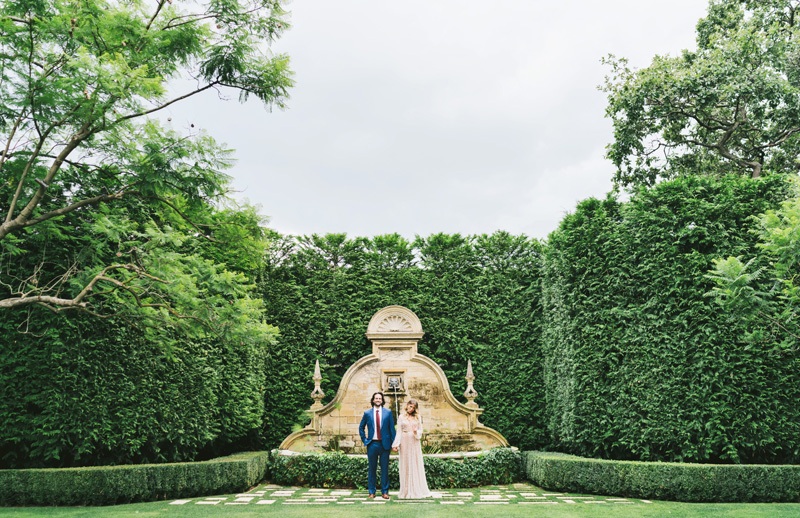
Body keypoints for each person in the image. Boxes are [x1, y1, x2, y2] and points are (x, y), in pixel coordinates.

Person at [391, 399, 432, 499]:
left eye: (413, 407)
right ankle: (405, 491)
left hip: (414, 442)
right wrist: (396, 444)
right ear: (407, 405)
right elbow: (399, 431)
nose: (411, 408)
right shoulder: (401, 417)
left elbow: (420, 431)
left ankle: (416, 489)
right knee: (405, 464)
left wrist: (415, 432)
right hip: (404, 442)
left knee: (415, 463)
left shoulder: (417, 417)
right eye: (410, 406)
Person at [358, 391, 396, 499]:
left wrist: (395, 443)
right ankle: (371, 491)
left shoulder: (388, 413)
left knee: (384, 469)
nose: (378, 400)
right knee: (372, 468)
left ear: (382, 400)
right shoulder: (367, 413)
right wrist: (365, 440)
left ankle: (385, 492)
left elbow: (392, 430)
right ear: (373, 400)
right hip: (372, 444)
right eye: (376, 398)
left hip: (385, 445)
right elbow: (361, 427)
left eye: (380, 398)